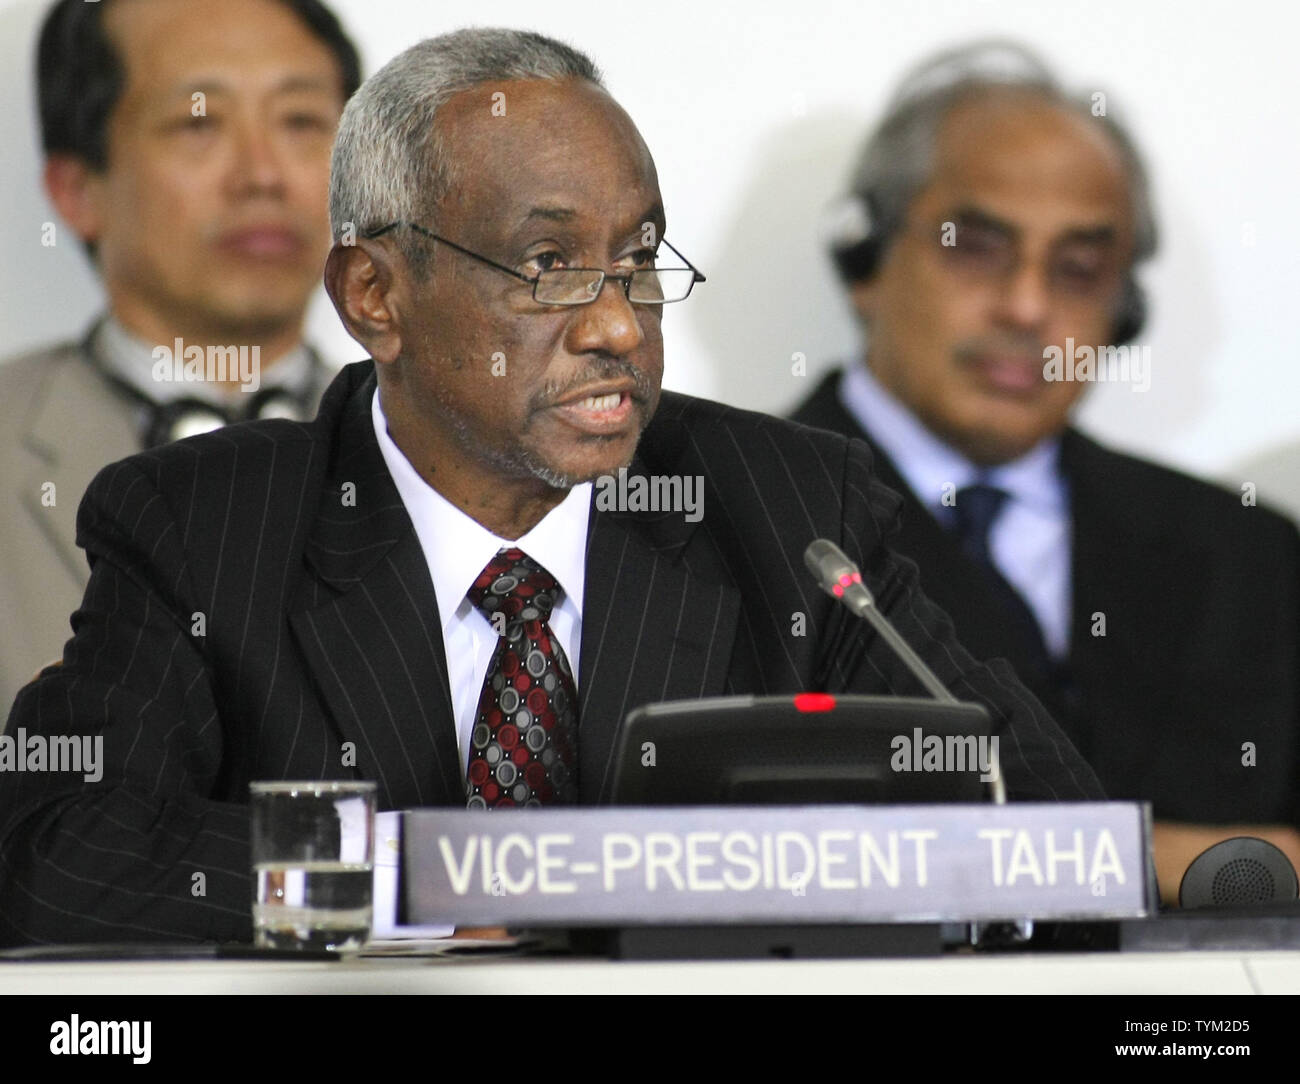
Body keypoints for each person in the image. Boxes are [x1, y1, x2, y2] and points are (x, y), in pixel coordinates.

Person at [0, 28, 1103, 947]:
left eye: (638, 258)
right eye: (548, 267)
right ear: (375, 293)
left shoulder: (786, 506)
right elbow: (53, 851)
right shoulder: (206, 528)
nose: (620, 322)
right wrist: (423, 877)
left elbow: (1055, 833)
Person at [789, 41, 1300, 903]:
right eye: (977, 248)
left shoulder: (1251, 555)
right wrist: (1164, 860)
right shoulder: (727, 522)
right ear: (865, 262)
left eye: (1079, 270)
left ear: (1124, 310)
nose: (1027, 308)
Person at [0, 0, 361, 711]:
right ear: (77, 191)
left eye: (300, 121)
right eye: (199, 122)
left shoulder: (429, 444)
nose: (263, 175)